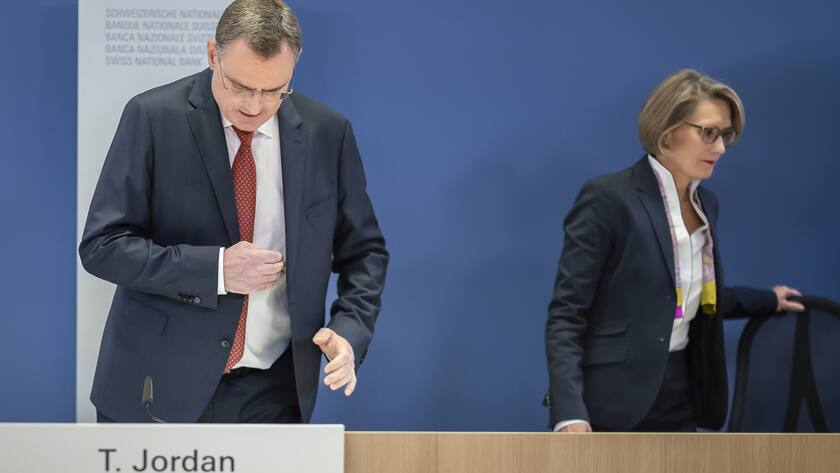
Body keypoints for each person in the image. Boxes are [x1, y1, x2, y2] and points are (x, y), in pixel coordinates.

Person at [79, 0, 388, 423]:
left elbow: (365, 252)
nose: (254, 105)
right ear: (212, 56)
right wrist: (218, 270)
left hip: (275, 394)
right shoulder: (152, 117)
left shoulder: (327, 133)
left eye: (275, 90)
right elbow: (103, 246)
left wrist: (349, 330)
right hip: (157, 384)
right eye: (240, 86)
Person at [545, 69, 804, 432]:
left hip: (682, 394)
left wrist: (767, 300)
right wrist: (570, 411)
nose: (720, 148)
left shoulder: (706, 204)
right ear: (668, 133)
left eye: (726, 135)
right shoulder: (608, 198)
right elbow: (567, 315)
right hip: (611, 400)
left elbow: (690, 294)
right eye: (708, 133)